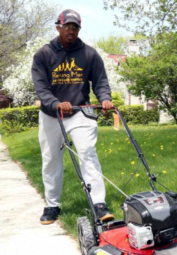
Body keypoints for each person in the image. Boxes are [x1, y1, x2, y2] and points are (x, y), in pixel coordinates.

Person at [32, 9, 115, 225]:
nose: (71, 30)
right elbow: (41, 88)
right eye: (66, 26)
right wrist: (56, 103)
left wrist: (105, 98)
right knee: (51, 160)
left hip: (80, 113)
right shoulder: (44, 54)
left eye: (75, 27)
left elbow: (100, 81)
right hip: (51, 115)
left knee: (88, 154)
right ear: (58, 27)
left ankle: (98, 204)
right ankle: (52, 205)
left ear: (79, 29)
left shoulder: (89, 54)